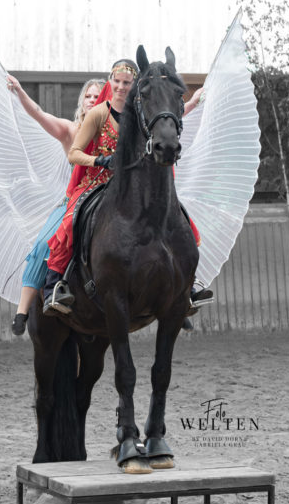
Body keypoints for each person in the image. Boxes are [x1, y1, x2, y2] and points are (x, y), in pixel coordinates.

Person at [43, 59, 206, 315]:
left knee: (180, 219)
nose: (121, 87)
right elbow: (74, 154)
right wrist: (100, 160)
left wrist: (193, 101)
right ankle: (56, 285)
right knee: (70, 223)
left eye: (127, 83)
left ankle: (185, 285)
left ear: (134, 86)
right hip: (98, 181)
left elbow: (168, 114)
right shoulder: (98, 113)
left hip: (133, 186)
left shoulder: (140, 113)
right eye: (117, 81)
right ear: (111, 81)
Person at [7, 75, 105, 335]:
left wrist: (192, 105)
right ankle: (22, 311)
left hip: (109, 197)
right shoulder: (70, 130)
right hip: (76, 198)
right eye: (88, 96)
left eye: (97, 96)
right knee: (43, 243)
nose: (93, 100)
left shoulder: (114, 131)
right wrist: (18, 90)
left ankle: (177, 294)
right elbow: (38, 114)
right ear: (82, 101)